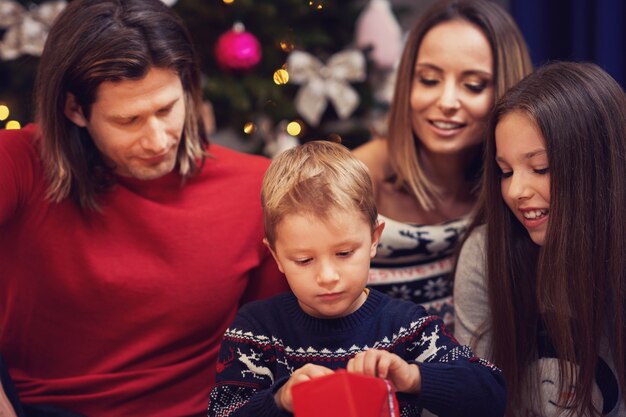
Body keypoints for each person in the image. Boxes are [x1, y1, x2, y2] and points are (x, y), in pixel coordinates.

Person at [0, 0, 289, 416]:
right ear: (75, 109)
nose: (157, 140)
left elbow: (279, 340)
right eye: (128, 120)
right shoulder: (21, 163)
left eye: (167, 109)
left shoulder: (256, 186)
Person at [207, 140, 506, 417]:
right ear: (276, 256)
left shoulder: (407, 327)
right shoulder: (257, 330)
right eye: (304, 260)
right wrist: (281, 399)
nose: (327, 276)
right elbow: (222, 411)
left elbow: (491, 393)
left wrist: (413, 376)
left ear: (374, 238)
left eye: (345, 253)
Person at [454, 62, 626, 416]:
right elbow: (472, 397)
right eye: (505, 171)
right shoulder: (485, 253)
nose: (516, 190)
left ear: (599, 166)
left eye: (541, 168)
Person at [352, 0, 532, 326]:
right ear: (407, 83)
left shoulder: (523, 187)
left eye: (473, 85)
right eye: (429, 80)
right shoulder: (354, 180)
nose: (446, 102)